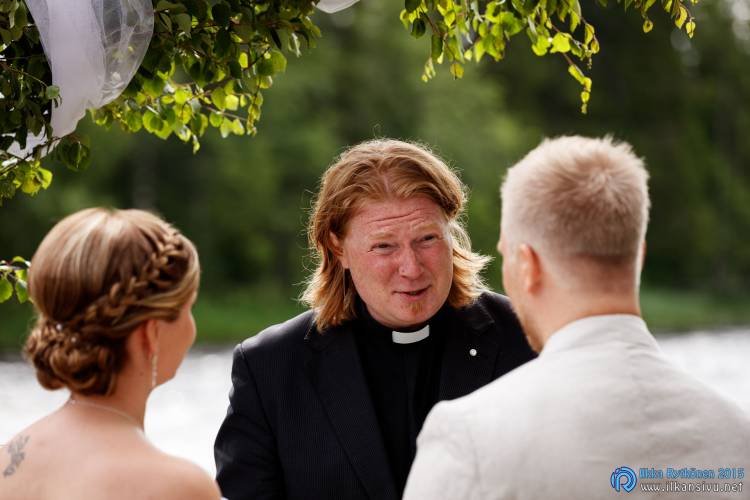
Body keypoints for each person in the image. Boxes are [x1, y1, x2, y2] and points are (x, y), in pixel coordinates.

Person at [403, 136, 750, 500]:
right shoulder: (736, 433)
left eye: (506, 255)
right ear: (639, 256)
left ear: (528, 265)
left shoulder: (468, 438)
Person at [214, 139, 536, 500]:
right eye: (384, 246)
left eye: (427, 238)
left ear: (450, 231)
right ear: (338, 248)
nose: (411, 268)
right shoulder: (270, 368)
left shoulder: (529, 337)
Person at [0, 208, 220, 500]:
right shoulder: (178, 487)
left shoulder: (8, 462)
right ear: (151, 332)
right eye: (187, 308)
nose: (192, 328)